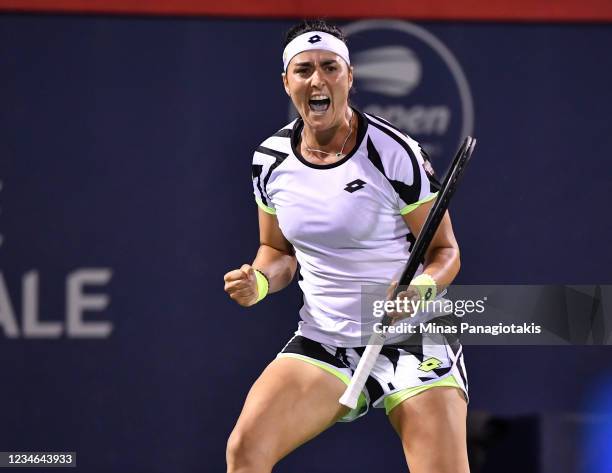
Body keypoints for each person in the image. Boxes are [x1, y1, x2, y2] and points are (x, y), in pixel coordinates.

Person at [223, 19, 470, 473]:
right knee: (246, 451)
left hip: (414, 341)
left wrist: (420, 290)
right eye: (304, 69)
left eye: (330, 67)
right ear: (287, 82)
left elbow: (445, 253)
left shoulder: (395, 153)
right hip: (326, 339)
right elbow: (277, 253)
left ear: (349, 77)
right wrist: (259, 280)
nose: (318, 80)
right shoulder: (269, 160)